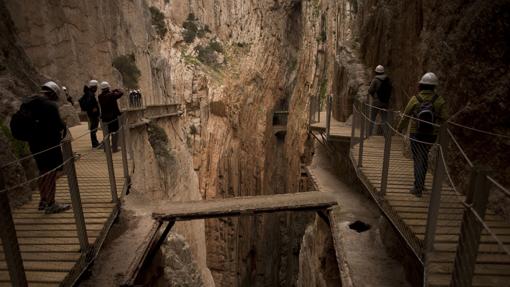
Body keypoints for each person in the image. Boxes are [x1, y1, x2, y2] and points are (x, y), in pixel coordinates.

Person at [20, 82, 71, 213]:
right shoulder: (50, 106)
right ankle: (51, 203)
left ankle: (43, 200)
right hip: (49, 145)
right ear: (53, 93)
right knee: (50, 174)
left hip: (34, 144)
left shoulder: (30, 103)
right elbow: (58, 125)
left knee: (43, 172)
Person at [397, 72, 448, 197]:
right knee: (423, 157)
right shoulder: (439, 100)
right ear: (434, 87)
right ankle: (421, 183)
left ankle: (418, 187)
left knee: (418, 159)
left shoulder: (415, 99)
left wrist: (399, 128)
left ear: (421, 85)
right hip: (431, 135)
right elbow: (445, 118)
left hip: (416, 133)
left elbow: (406, 116)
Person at [98, 81, 124, 152]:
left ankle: (106, 148)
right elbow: (121, 93)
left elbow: (107, 94)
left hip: (104, 118)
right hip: (113, 118)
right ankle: (114, 148)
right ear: (107, 88)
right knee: (114, 133)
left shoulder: (100, 96)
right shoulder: (112, 95)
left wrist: (112, 91)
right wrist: (117, 90)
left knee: (106, 133)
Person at [368, 65, 392, 136]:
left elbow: (370, 90)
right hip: (385, 102)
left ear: (376, 72)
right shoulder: (388, 79)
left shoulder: (375, 80)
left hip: (376, 102)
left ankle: (369, 134)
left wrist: (374, 96)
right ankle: (386, 135)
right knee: (384, 119)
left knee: (372, 117)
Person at [79, 80, 101, 148]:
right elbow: (89, 103)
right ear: (94, 87)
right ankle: (95, 143)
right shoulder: (90, 94)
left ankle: (95, 142)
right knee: (93, 128)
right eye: (96, 87)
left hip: (92, 114)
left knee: (93, 128)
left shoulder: (89, 93)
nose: (97, 88)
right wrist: (93, 109)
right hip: (93, 115)